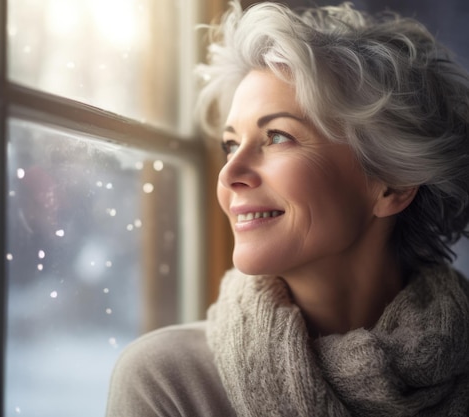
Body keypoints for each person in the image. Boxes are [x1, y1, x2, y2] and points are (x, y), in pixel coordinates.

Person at [106, 1, 469, 415]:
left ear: (393, 185)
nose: (229, 174)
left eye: (277, 137)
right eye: (230, 144)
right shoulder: (168, 382)